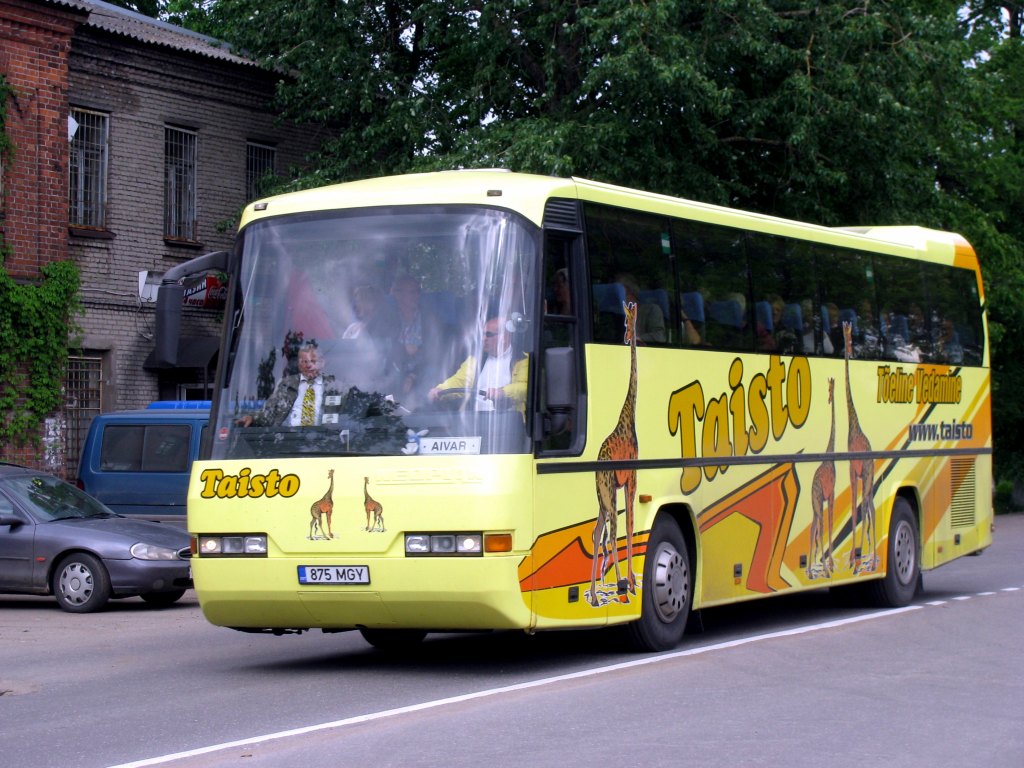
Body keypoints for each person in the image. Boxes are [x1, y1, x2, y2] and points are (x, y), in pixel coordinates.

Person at [427, 316, 528, 412]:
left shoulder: (522, 359)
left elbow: (525, 387)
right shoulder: (475, 360)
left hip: (509, 423)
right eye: (483, 335)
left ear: (505, 336)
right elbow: (460, 381)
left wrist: (503, 392)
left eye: (489, 334)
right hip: (475, 422)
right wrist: (440, 389)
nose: (483, 339)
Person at [237, 341, 336, 426]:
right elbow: (269, 412)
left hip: (321, 441)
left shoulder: (335, 387)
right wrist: (253, 418)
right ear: (299, 364)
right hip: (287, 439)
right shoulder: (286, 384)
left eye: (313, 361)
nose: (308, 366)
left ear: (322, 363)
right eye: (304, 362)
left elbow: (346, 418)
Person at [616, 273, 666, 344]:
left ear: (629, 291)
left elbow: (659, 336)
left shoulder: (651, 310)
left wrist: (638, 339)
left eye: (618, 291)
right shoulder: (617, 315)